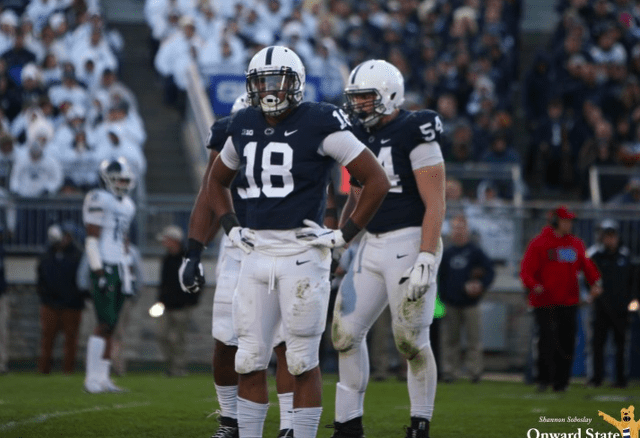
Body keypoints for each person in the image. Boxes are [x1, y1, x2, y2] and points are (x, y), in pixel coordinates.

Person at [180, 46, 390, 438]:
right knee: (249, 358)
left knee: (300, 360)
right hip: (255, 252)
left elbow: (374, 179)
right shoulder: (241, 122)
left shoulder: (321, 119)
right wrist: (229, 225)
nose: (269, 89)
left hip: (301, 253)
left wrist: (344, 235)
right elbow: (215, 180)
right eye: (261, 81)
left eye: (276, 80)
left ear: (296, 82)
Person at [329, 59, 445, 438]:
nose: (359, 105)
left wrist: (427, 253)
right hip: (371, 244)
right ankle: (348, 423)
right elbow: (356, 196)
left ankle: (419, 422)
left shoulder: (414, 128)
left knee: (410, 340)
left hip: (410, 241)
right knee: (344, 334)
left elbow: (436, 202)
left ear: (390, 95)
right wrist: (342, 239)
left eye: (366, 97)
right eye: (356, 98)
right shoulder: (359, 136)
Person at [186, 93, 297, 438]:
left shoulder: (297, 134)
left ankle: (291, 425)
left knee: (285, 343)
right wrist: (193, 251)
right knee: (226, 340)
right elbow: (209, 193)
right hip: (237, 246)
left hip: (283, 242)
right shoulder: (228, 135)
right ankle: (230, 420)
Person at [520, 205, 602, 392]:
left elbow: (586, 266)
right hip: (545, 302)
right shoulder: (539, 243)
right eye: (566, 220)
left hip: (568, 301)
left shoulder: (575, 244)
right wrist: (535, 286)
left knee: (566, 342)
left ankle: (561, 382)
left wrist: (595, 283)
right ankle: (543, 380)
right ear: (556, 221)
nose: (569, 224)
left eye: (571, 221)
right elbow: (526, 271)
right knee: (546, 342)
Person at [82, 157, 136, 393]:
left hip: (120, 267)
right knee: (103, 323)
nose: (123, 184)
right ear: (106, 179)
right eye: (118, 179)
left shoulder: (128, 204)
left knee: (112, 326)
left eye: (125, 180)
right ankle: (92, 378)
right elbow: (92, 239)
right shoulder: (98, 198)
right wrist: (99, 271)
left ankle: (103, 378)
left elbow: (123, 238)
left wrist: (128, 267)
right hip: (105, 264)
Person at [438, 214, 495, 384]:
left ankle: (475, 372)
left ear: (467, 230)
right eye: (456, 228)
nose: (459, 231)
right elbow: (440, 277)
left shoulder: (476, 252)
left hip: (471, 303)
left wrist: (480, 285)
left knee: (474, 340)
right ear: (451, 231)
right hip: (451, 303)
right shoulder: (447, 253)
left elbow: (490, 272)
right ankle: (450, 371)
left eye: (461, 228)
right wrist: (442, 297)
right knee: (450, 340)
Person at [588, 219, 639, 388]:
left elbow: (634, 282)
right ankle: (596, 378)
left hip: (621, 309)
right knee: (597, 346)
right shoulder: (594, 256)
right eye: (607, 236)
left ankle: (620, 379)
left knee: (621, 346)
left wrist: (633, 301)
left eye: (612, 236)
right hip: (600, 308)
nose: (610, 240)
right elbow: (587, 279)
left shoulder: (626, 257)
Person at [37, 224, 85, 374]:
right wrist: (46, 298)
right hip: (51, 304)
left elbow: (81, 281)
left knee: (71, 340)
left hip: (71, 305)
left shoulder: (77, 255)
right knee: (47, 339)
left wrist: (76, 298)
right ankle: (44, 369)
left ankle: (68, 370)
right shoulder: (46, 255)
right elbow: (41, 280)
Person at [157, 224, 199, 377]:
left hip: (182, 307)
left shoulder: (188, 259)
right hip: (166, 306)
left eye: (166, 239)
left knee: (178, 339)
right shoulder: (166, 259)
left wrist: (190, 301)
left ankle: (179, 368)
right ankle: (170, 365)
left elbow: (197, 282)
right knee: (162, 336)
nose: (163, 243)